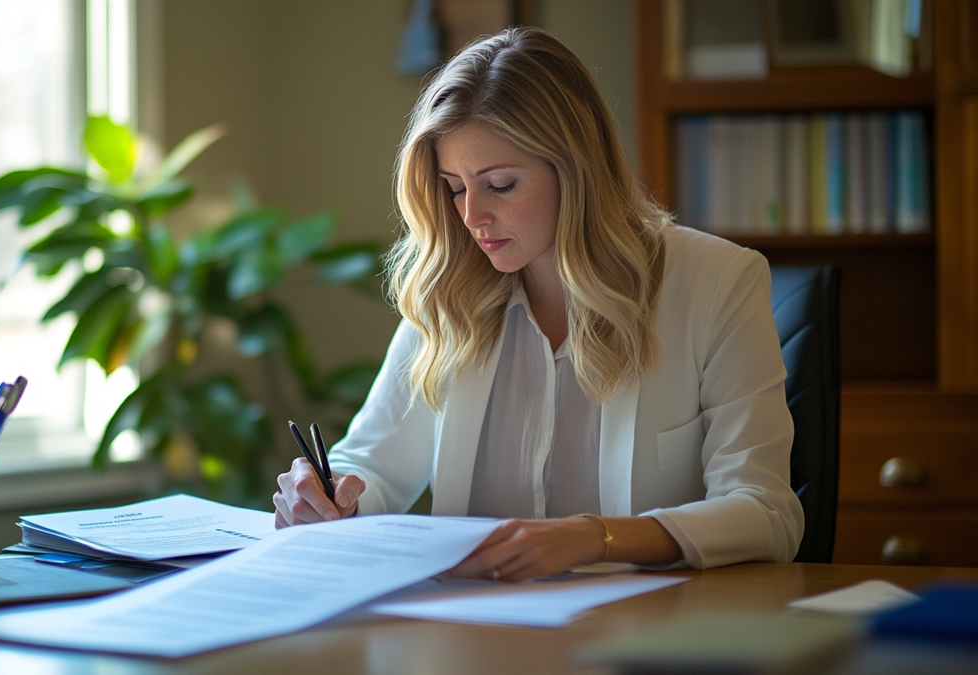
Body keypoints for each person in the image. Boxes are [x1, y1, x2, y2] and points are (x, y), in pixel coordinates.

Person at [272, 27, 803, 581]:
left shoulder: (718, 282)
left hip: (643, 637)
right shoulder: (449, 291)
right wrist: (331, 500)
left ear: (577, 172)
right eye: (454, 186)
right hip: (471, 639)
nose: (470, 215)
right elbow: (371, 465)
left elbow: (768, 513)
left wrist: (595, 538)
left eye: (499, 184)